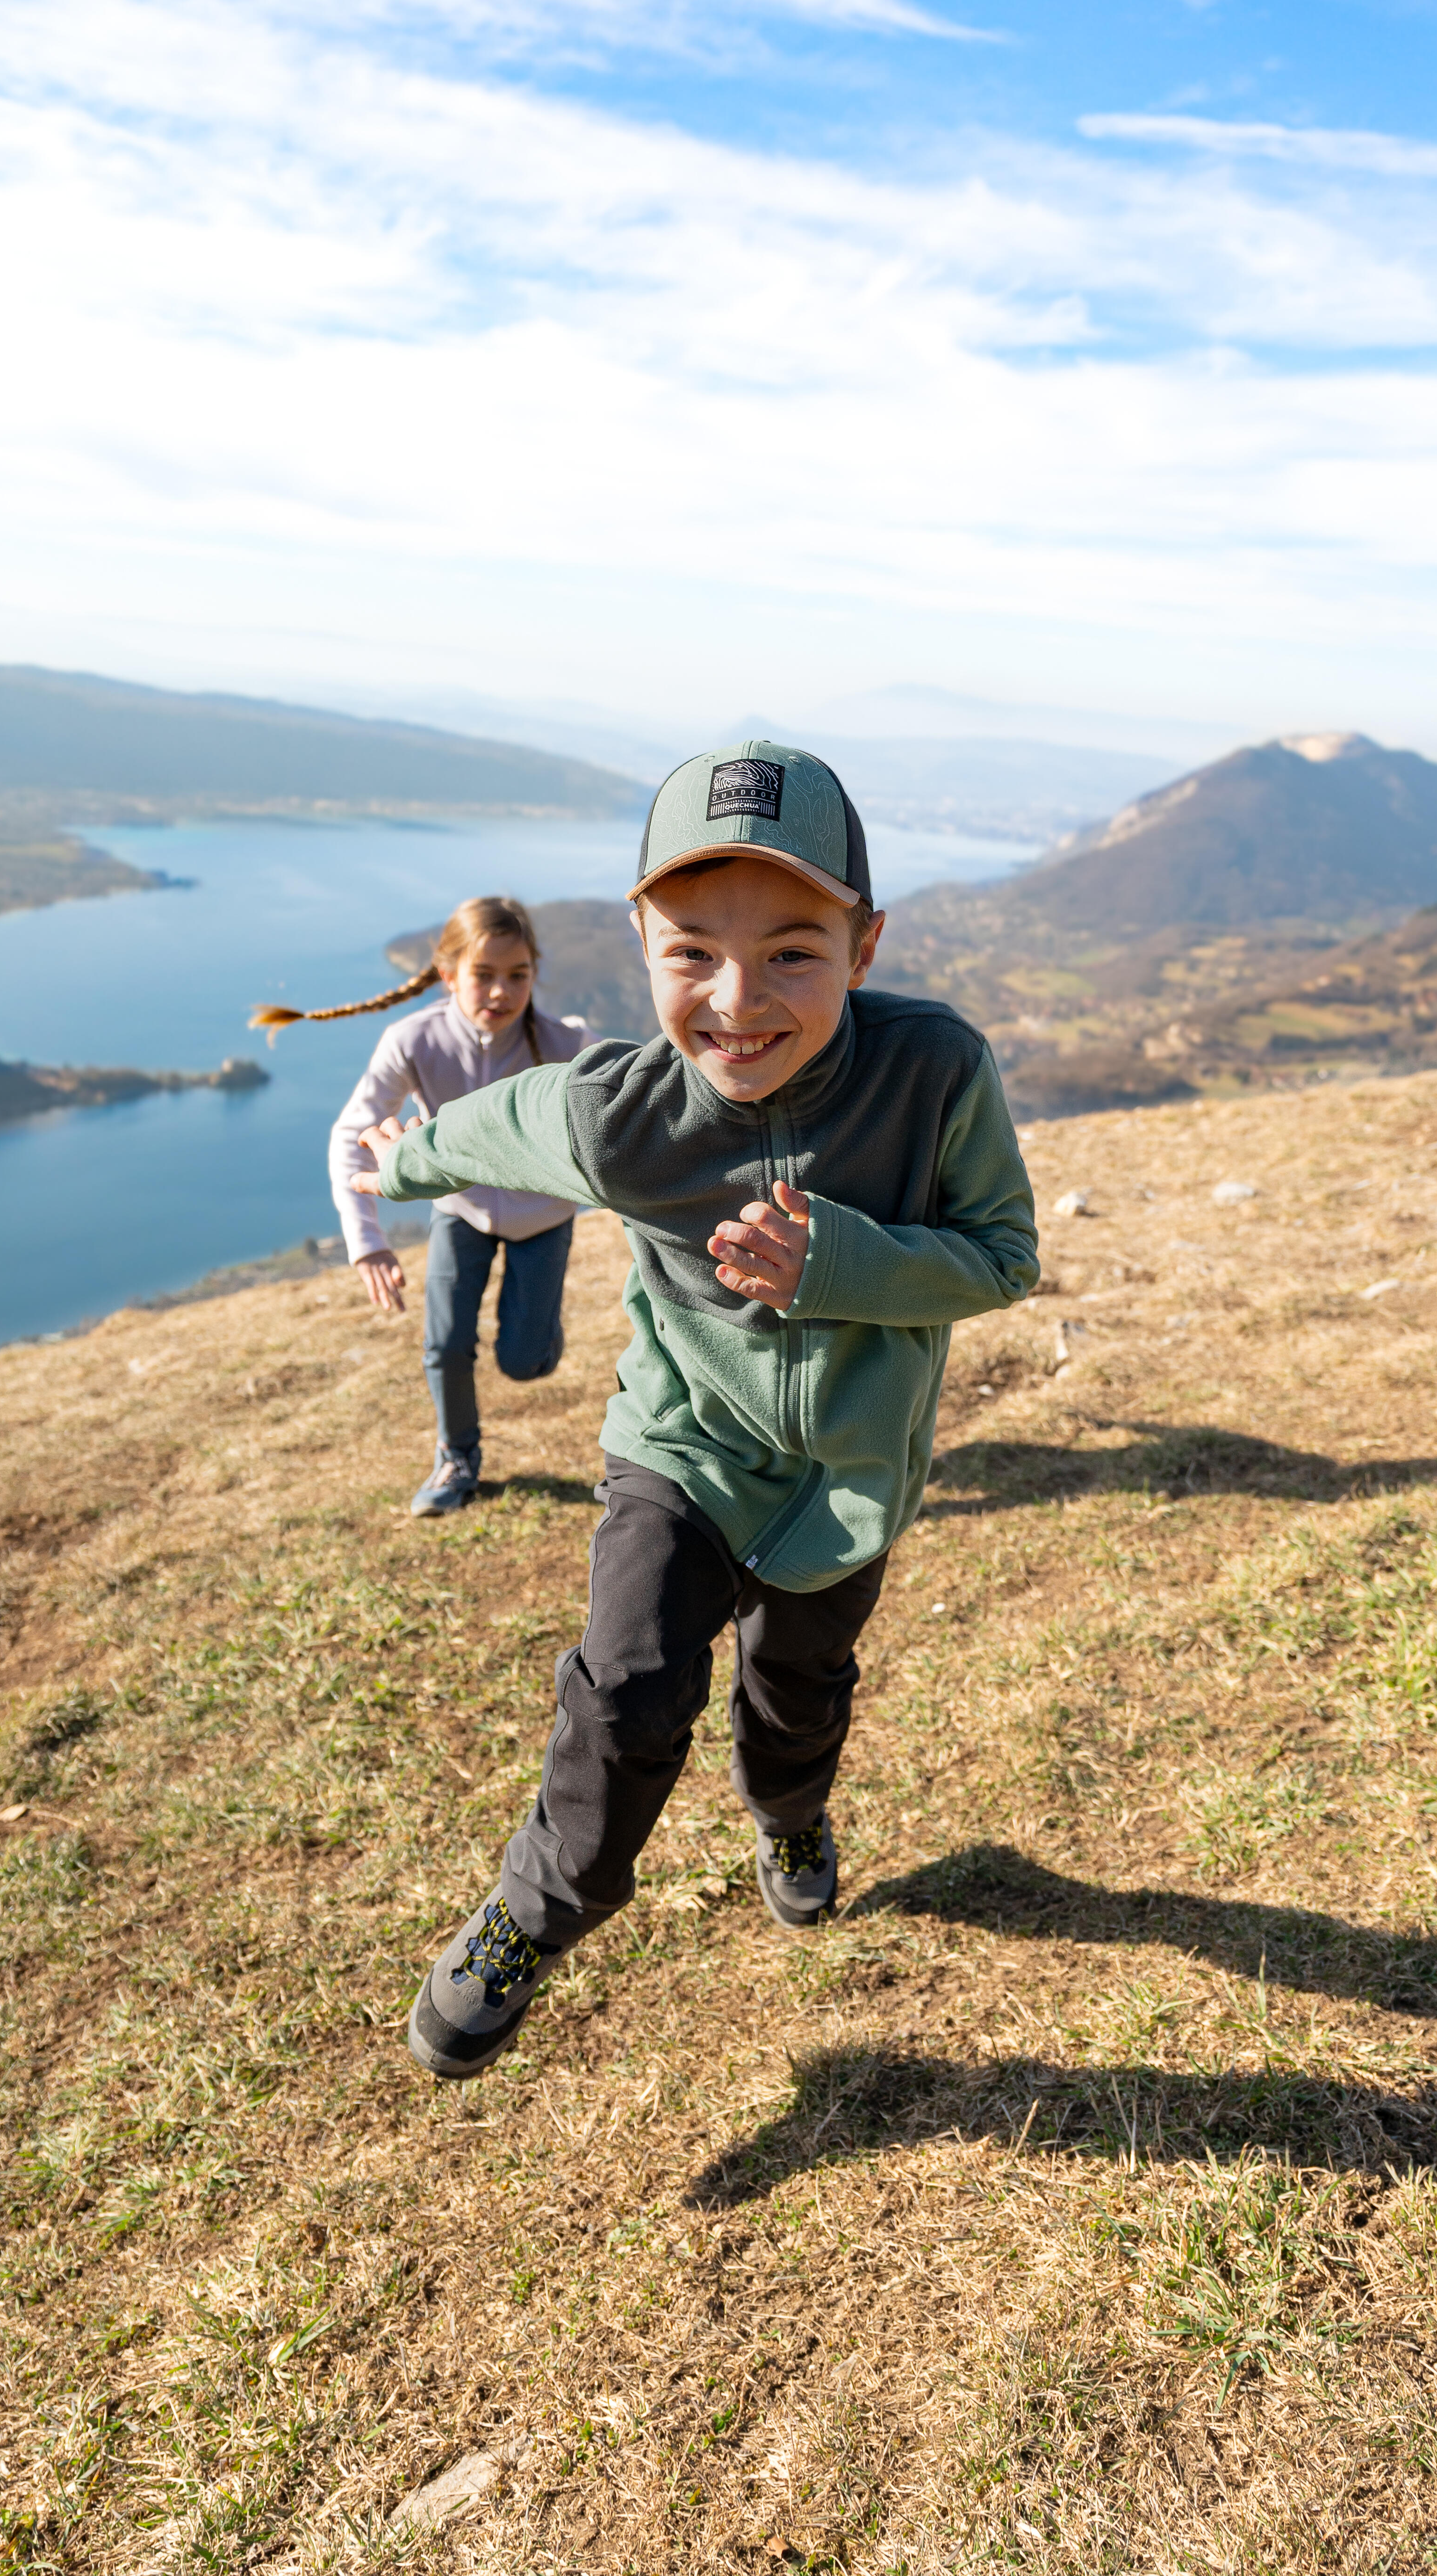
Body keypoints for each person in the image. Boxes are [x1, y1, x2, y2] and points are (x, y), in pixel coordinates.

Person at [348, 743, 1040, 2079]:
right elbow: (498, 1123)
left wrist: (839, 1262)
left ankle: (789, 1815)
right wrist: (406, 1158)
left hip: (847, 1477)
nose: (737, 999)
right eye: (691, 954)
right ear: (641, 944)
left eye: (792, 952)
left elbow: (1003, 1255)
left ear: (864, 942)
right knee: (625, 1691)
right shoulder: (620, 1113)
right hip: (681, 1446)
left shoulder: (935, 1070)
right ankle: (532, 1911)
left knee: (796, 1697)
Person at [255, 895, 593, 1516]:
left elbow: (636, 1091)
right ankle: (457, 1458)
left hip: (544, 1219)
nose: (501, 991)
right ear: (448, 976)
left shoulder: (565, 1042)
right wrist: (367, 1242)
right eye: (483, 975)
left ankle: (538, 1335)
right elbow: (351, 1134)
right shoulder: (413, 1040)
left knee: (524, 1363)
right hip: (459, 1209)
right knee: (444, 1344)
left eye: (518, 975)